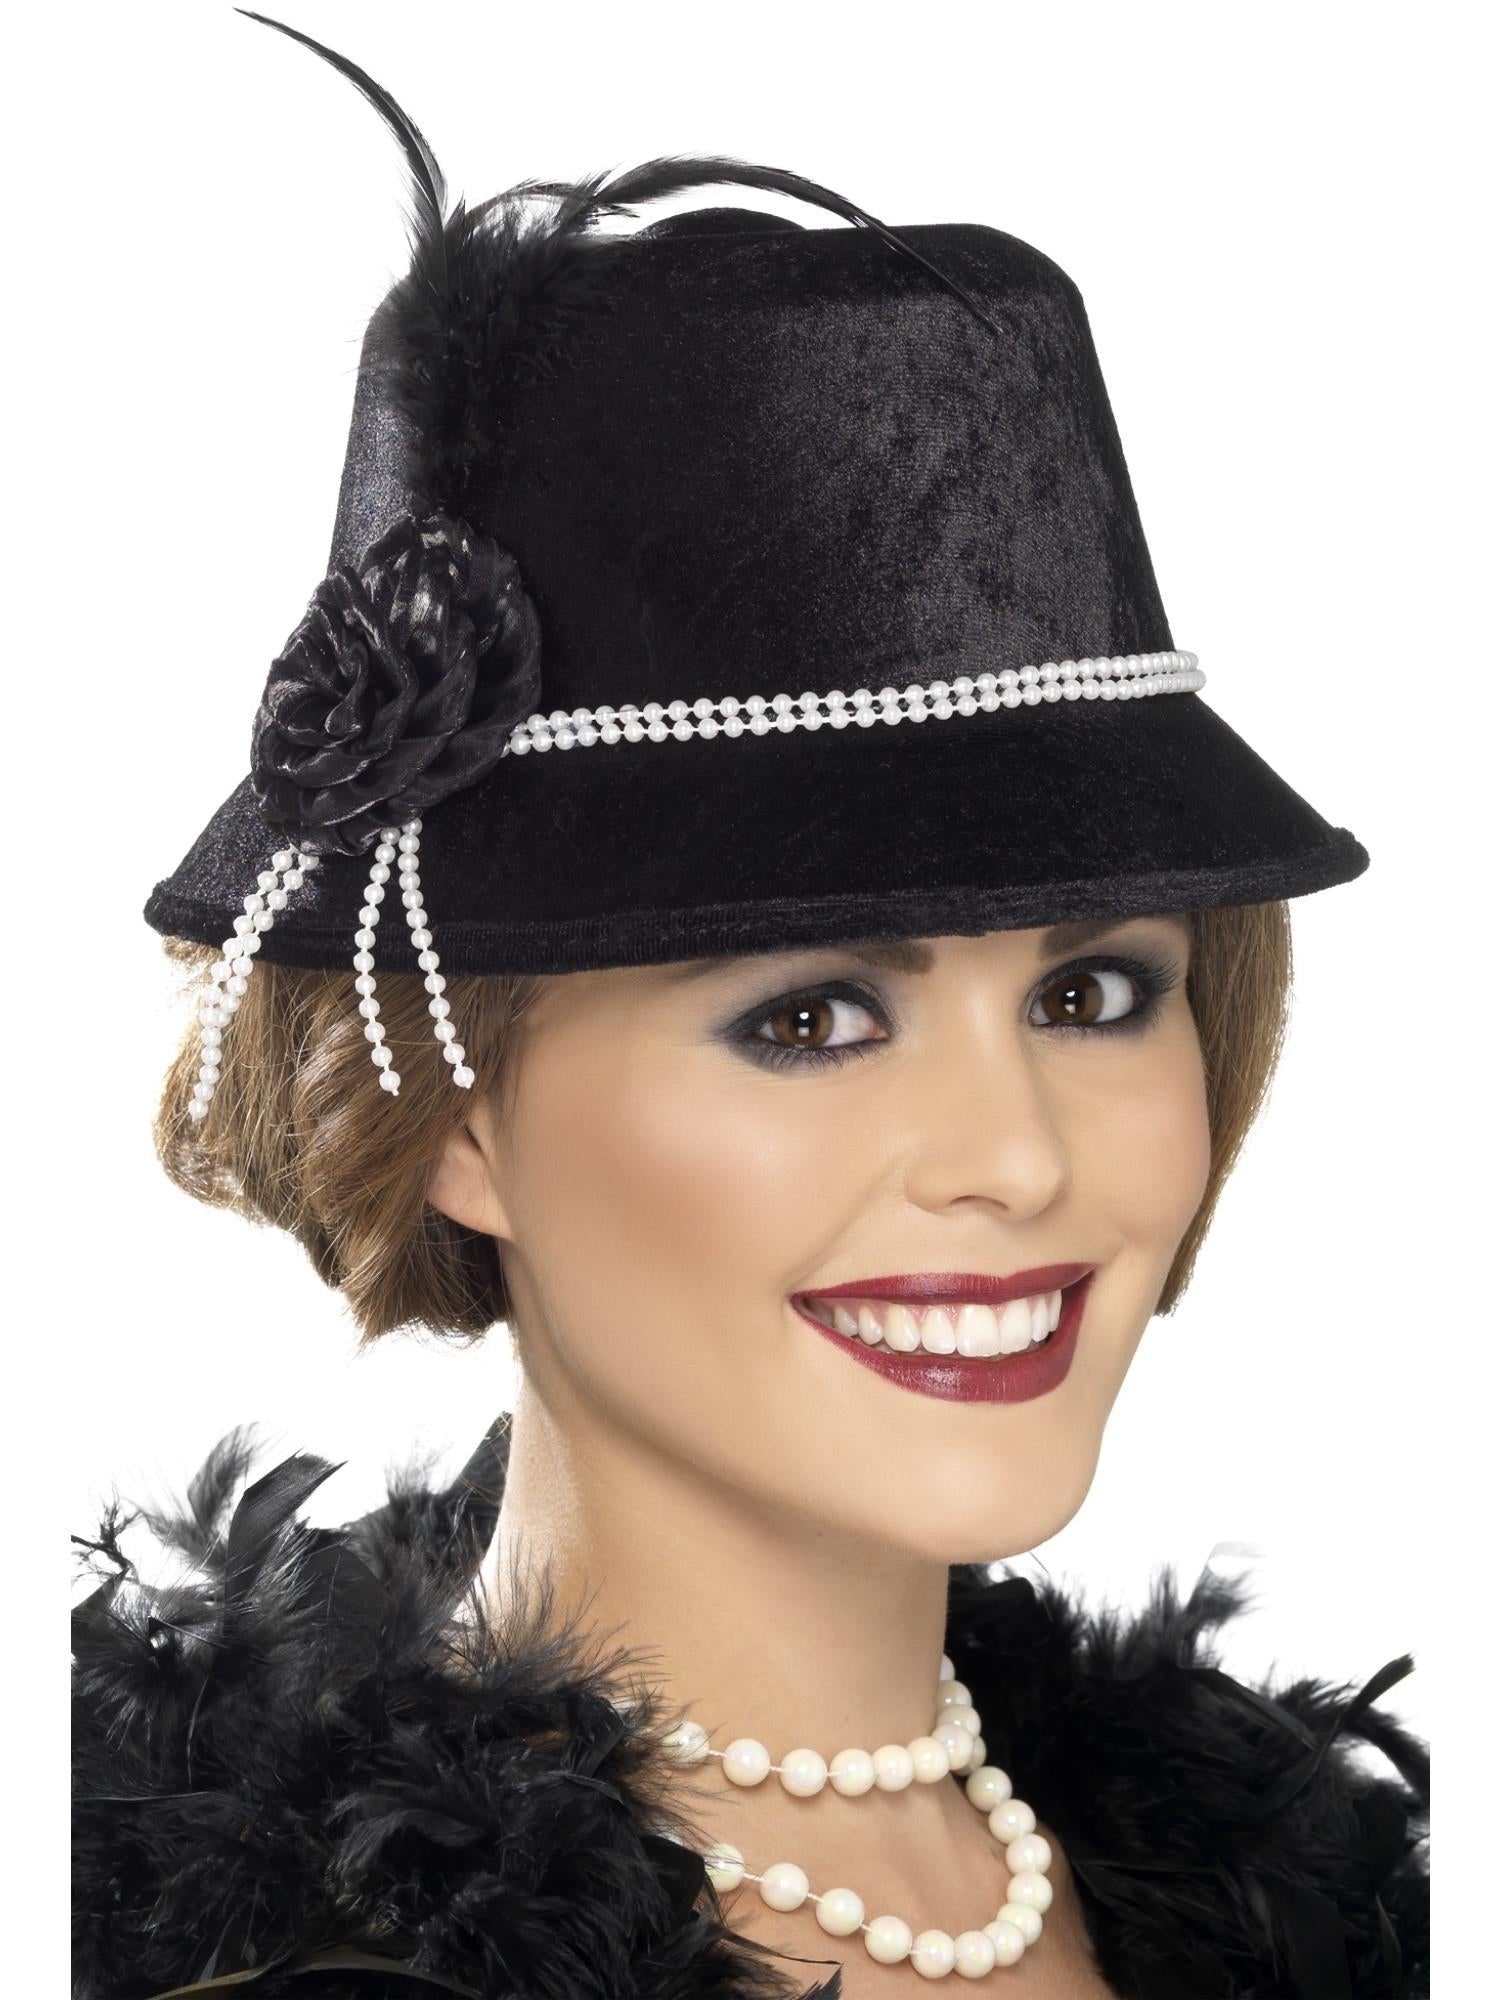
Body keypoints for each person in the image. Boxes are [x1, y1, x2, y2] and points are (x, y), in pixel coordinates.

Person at [70, 13, 1429, 1998]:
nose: (1017, 1157)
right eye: (809, 1019)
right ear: (450, 1105)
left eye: (1091, 988)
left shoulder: (1325, 1901)